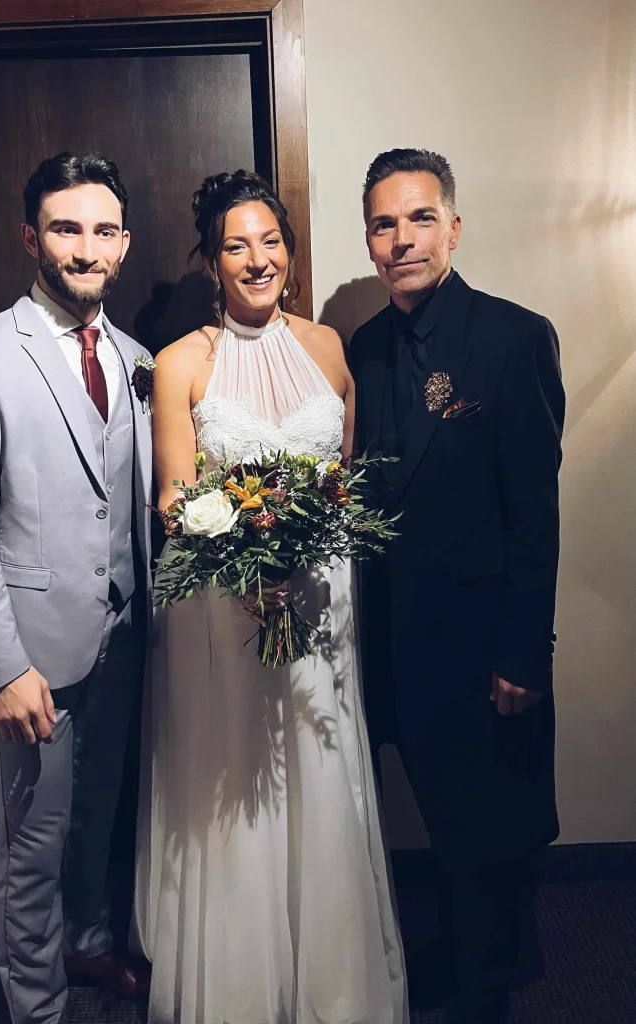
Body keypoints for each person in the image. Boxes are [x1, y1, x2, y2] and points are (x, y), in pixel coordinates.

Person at [131, 170, 407, 1024]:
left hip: (320, 601)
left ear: (289, 250)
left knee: (317, 764)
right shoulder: (181, 362)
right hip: (223, 607)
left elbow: (341, 481)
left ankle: (328, 977)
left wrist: (301, 546)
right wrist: (246, 564)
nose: (257, 260)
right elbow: (174, 499)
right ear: (210, 263)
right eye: (235, 245)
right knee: (239, 775)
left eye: (271, 241)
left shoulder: (330, 346)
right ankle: (243, 987)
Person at [0, 151, 153, 1024]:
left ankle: (87, 943)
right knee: (32, 841)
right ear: (31, 238)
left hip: (124, 636)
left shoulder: (138, 360)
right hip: (30, 655)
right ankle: (37, 1006)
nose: (85, 248)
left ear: (123, 243)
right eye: (65, 229)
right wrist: (3, 666)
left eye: (102, 230)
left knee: (98, 814)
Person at [350, 148, 565, 1024]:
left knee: (484, 832)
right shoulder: (363, 348)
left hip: (480, 643)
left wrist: (524, 652)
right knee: (437, 821)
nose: (402, 239)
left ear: (454, 227)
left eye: (420, 218)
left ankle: (484, 996)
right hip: (390, 639)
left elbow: (535, 516)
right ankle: (461, 963)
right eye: (383, 224)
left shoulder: (515, 337)